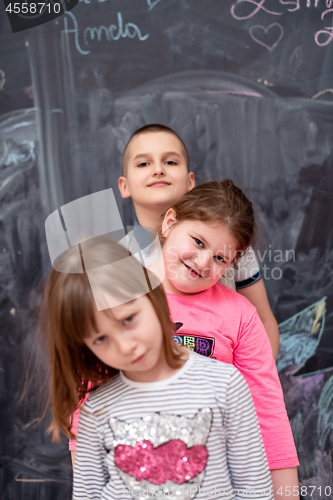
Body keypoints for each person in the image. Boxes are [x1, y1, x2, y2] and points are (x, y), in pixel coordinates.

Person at [43, 238, 274, 500]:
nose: (125, 345)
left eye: (128, 319)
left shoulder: (225, 385)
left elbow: (255, 489)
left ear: (151, 294)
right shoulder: (96, 411)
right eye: (100, 339)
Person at [149, 179, 299, 500]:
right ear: (170, 222)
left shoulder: (240, 316)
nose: (203, 263)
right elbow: (88, 405)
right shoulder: (122, 297)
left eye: (221, 258)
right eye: (198, 242)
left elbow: (268, 414)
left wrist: (286, 495)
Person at [118, 124, 280, 359]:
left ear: (190, 181)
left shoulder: (232, 245)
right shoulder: (115, 259)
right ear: (124, 185)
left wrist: (254, 386)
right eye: (144, 163)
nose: (158, 170)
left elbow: (264, 322)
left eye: (170, 162)